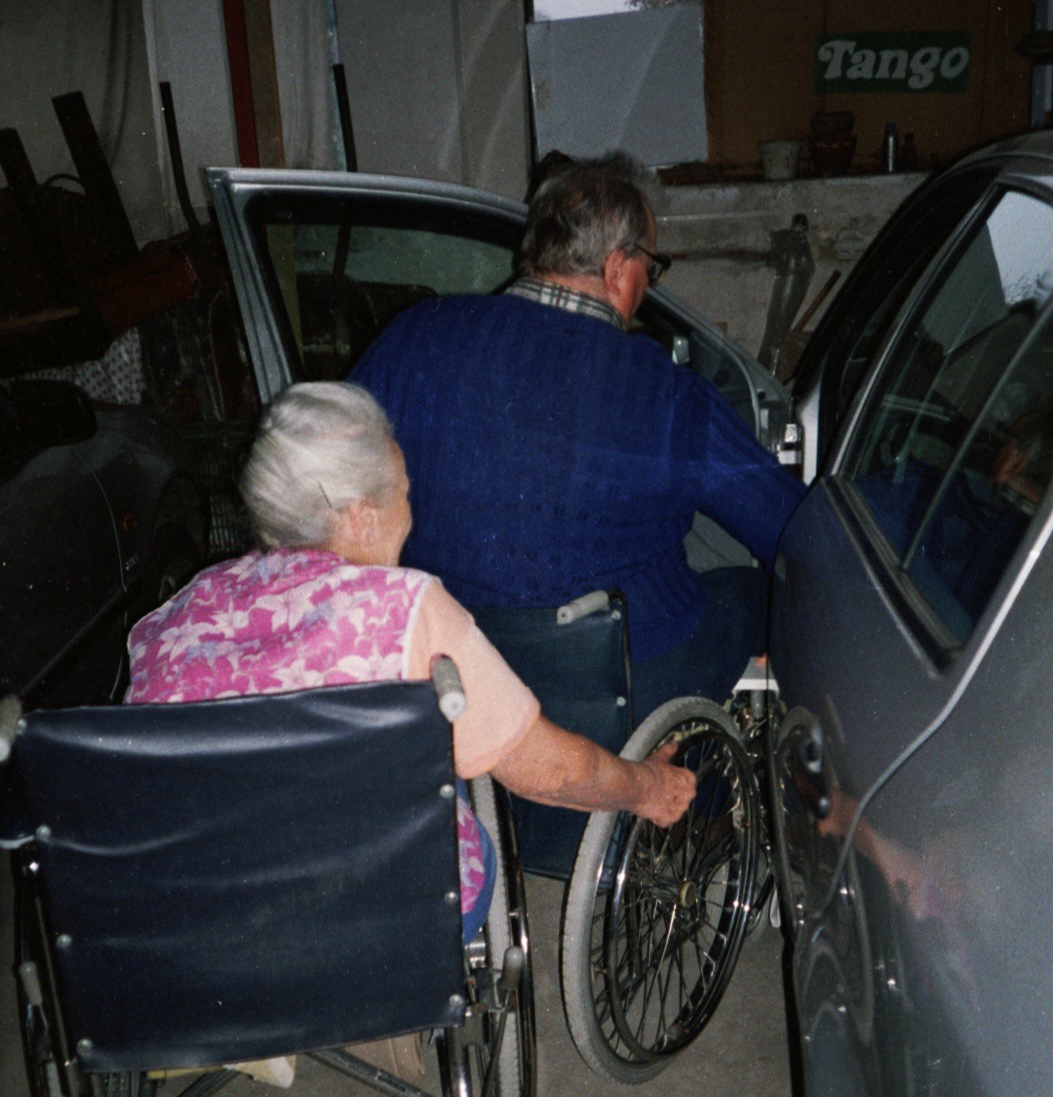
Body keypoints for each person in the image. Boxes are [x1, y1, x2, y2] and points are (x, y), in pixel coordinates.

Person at [126, 381, 696, 937]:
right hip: (368, 918)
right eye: (403, 491)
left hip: (193, 923)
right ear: (361, 517)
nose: (411, 512)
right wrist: (645, 786)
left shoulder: (179, 614)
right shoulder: (404, 609)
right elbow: (553, 771)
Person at [350, 151, 806, 721]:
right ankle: (702, 792)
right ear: (618, 268)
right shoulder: (663, 390)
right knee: (749, 593)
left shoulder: (411, 335)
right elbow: (790, 526)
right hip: (621, 678)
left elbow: (335, 477)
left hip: (447, 666)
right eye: (651, 269)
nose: (647, 286)